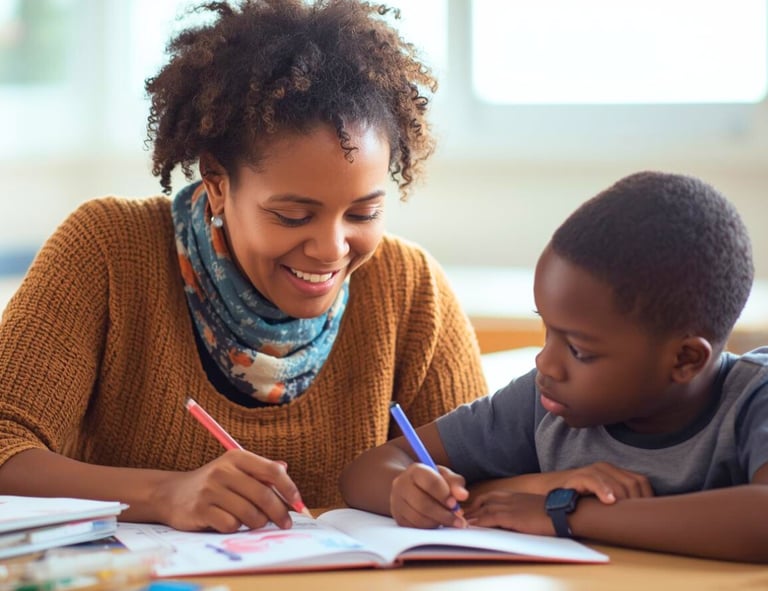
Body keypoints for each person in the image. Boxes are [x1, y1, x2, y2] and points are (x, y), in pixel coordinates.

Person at [0, 0, 487, 533]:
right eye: (292, 215)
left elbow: (486, 472)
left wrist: (435, 494)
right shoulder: (107, 252)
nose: (330, 248)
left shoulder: (412, 291)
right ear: (216, 182)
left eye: (363, 212)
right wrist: (166, 494)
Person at [340, 171, 768, 564]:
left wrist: (568, 515)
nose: (546, 361)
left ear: (684, 359)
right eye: (547, 330)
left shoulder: (753, 400)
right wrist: (406, 489)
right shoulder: (543, 403)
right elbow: (366, 471)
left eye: (579, 350)